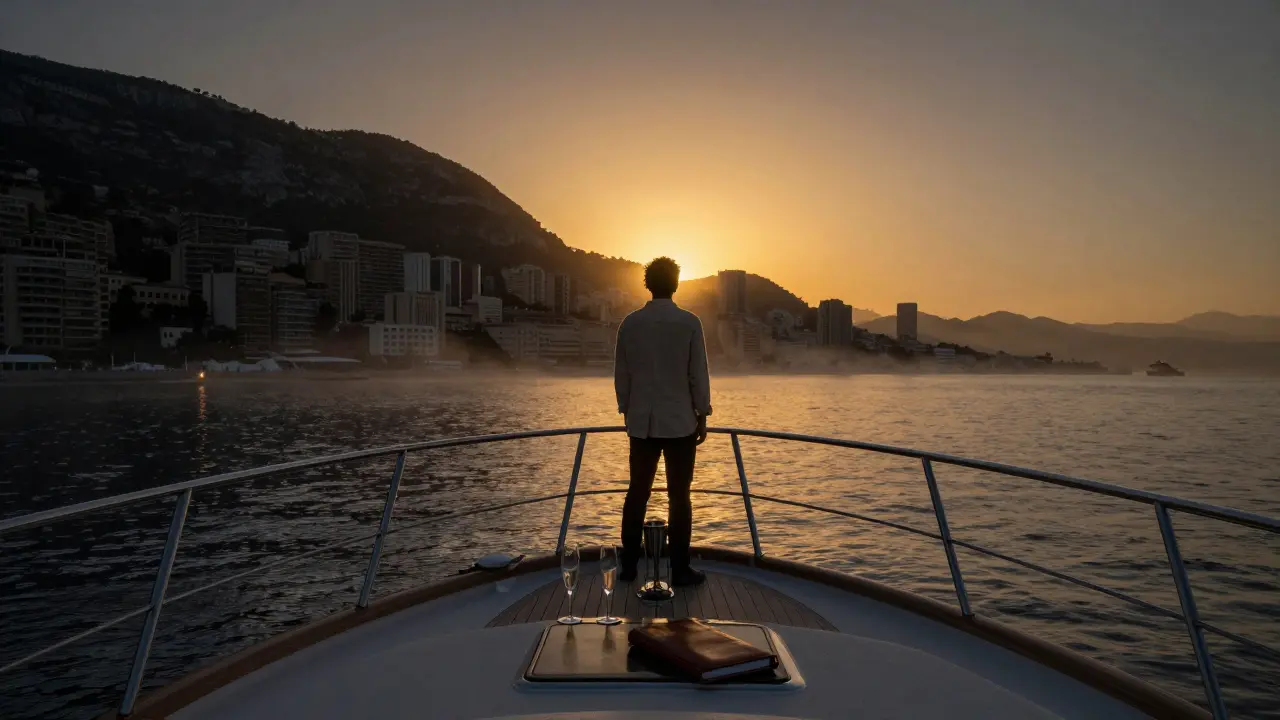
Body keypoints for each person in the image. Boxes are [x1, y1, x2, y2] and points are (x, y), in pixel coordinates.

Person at [614, 257, 711, 586]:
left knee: (636, 493)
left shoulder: (630, 323)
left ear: (647, 284)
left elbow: (622, 374)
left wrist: (628, 411)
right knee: (680, 496)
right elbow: (697, 374)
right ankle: (680, 569)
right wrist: (702, 414)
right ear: (676, 283)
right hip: (680, 421)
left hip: (641, 423)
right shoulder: (689, 323)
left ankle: (628, 566)